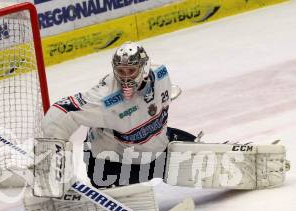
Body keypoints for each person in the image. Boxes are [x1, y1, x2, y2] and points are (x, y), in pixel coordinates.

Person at [41, 41, 196, 188]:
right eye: (121, 71)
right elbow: (61, 113)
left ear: (145, 68)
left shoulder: (161, 74)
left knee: (185, 148)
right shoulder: (106, 99)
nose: (126, 77)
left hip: (147, 144)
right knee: (167, 167)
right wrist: (53, 157)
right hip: (108, 166)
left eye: (131, 70)